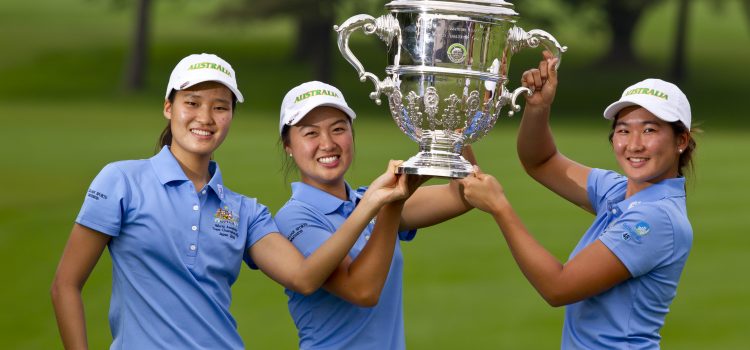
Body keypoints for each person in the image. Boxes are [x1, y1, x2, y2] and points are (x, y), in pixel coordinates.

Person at [50, 54, 412, 349]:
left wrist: (370, 205)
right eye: (192, 103)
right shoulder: (122, 181)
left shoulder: (245, 212)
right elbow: (66, 284)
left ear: (230, 118)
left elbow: (304, 278)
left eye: (220, 107)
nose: (205, 118)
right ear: (168, 107)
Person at [459, 51, 696, 349]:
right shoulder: (618, 190)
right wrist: (538, 107)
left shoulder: (655, 218)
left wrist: (499, 208)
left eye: (649, 130)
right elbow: (541, 161)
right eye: (623, 130)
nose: (634, 145)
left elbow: (558, 288)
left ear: (681, 141)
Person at [274, 81, 475, 349]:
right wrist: (392, 204)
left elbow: (462, 195)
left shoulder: (367, 201)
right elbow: (362, 290)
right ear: (288, 145)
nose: (328, 143)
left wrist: (452, 123)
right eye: (311, 133)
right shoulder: (294, 218)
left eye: (338, 129)